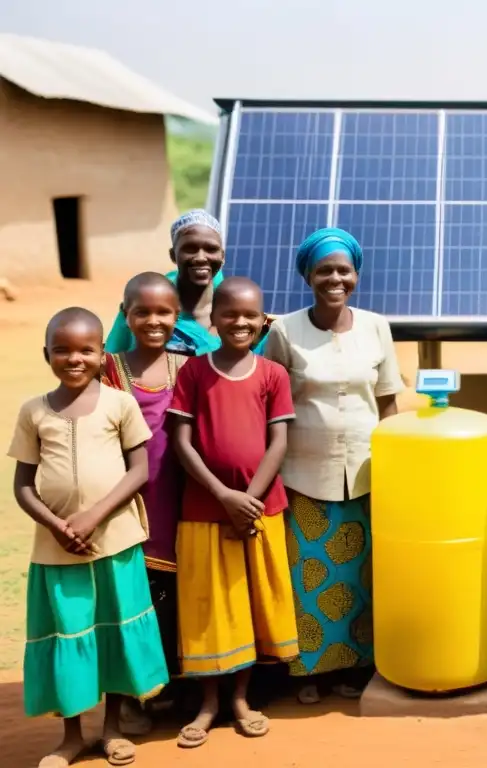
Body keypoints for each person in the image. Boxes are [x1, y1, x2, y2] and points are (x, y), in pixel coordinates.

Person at [8, 307, 168, 768]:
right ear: (46, 355)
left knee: (114, 631)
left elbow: (139, 471)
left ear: (103, 354)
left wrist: (94, 517)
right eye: (62, 350)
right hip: (57, 549)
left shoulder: (120, 404)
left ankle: (112, 729)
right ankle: (72, 736)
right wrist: (59, 526)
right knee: (68, 635)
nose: (74, 358)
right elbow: (22, 485)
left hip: (114, 540)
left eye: (86, 350)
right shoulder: (34, 411)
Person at [264, 227, 404, 703]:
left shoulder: (376, 326)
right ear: (308, 276)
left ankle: (356, 669)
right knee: (311, 574)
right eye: (324, 270)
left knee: (362, 576)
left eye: (344, 270)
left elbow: (387, 402)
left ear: (356, 275)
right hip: (305, 473)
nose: (335, 279)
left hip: (366, 473)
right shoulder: (284, 331)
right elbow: (271, 402)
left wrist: (395, 463)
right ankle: (310, 674)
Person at [169, 277, 299, 748]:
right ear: (213, 319)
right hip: (204, 509)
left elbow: (279, 440)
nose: (239, 323)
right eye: (229, 314)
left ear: (262, 320)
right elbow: (182, 444)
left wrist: (250, 500)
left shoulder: (272, 374)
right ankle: (208, 703)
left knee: (249, 602)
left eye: (249, 316)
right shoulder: (193, 373)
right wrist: (224, 495)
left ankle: (242, 700)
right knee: (209, 606)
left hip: (260, 512)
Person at [101, 273, 188, 734]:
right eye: (142, 312)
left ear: (177, 317)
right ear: (126, 313)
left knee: (173, 600)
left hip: (178, 501)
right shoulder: (106, 369)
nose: (153, 321)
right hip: (125, 504)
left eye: (164, 313)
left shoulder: (187, 367)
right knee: (132, 601)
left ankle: (172, 688)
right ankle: (133, 695)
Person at [105, 210, 272, 357]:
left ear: (222, 256)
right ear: (173, 255)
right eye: (189, 248)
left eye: (211, 249)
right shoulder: (144, 302)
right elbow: (113, 363)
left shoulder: (241, 308)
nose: (200, 257)